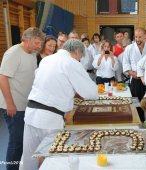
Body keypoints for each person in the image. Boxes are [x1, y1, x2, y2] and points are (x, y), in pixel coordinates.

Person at [19, 39, 98, 170]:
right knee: (53, 161)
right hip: (50, 119)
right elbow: (91, 93)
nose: (79, 60)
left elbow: (49, 82)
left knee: (28, 158)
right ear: (77, 52)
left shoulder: (47, 59)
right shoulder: (71, 63)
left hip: (31, 113)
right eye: (79, 57)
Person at [0, 27, 45, 170]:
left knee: (24, 141)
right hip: (14, 106)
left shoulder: (32, 54)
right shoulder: (13, 53)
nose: (39, 47)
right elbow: (2, 78)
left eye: (40, 43)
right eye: (37, 43)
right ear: (27, 40)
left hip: (26, 105)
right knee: (16, 141)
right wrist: (10, 104)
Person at [123, 27, 146, 122]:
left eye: (140, 37)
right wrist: (132, 73)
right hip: (135, 80)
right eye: (136, 37)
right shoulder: (129, 48)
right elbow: (125, 64)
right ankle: (138, 122)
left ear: (145, 37)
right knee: (136, 104)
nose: (138, 39)